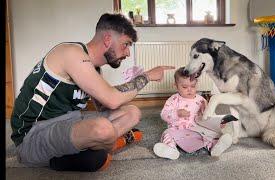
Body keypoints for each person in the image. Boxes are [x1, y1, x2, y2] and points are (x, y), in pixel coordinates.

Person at [10, 13, 174, 172]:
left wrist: (134, 83)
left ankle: (100, 149)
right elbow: (112, 100)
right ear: (108, 39)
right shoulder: (71, 53)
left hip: (67, 124)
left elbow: (105, 105)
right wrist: (146, 77)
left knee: (132, 113)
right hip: (32, 137)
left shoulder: (93, 69)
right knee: (103, 129)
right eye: (126, 44)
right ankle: (112, 144)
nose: (128, 53)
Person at [153, 67, 235, 160]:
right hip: (177, 130)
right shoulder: (174, 99)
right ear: (176, 86)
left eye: (193, 86)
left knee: (211, 134)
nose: (189, 90)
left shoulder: (201, 100)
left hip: (197, 130)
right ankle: (171, 149)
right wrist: (177, 113)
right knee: (166, 134)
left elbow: (209, 116)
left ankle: (215, 147)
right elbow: (164, 114)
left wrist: (217, 123)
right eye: (184, 87)